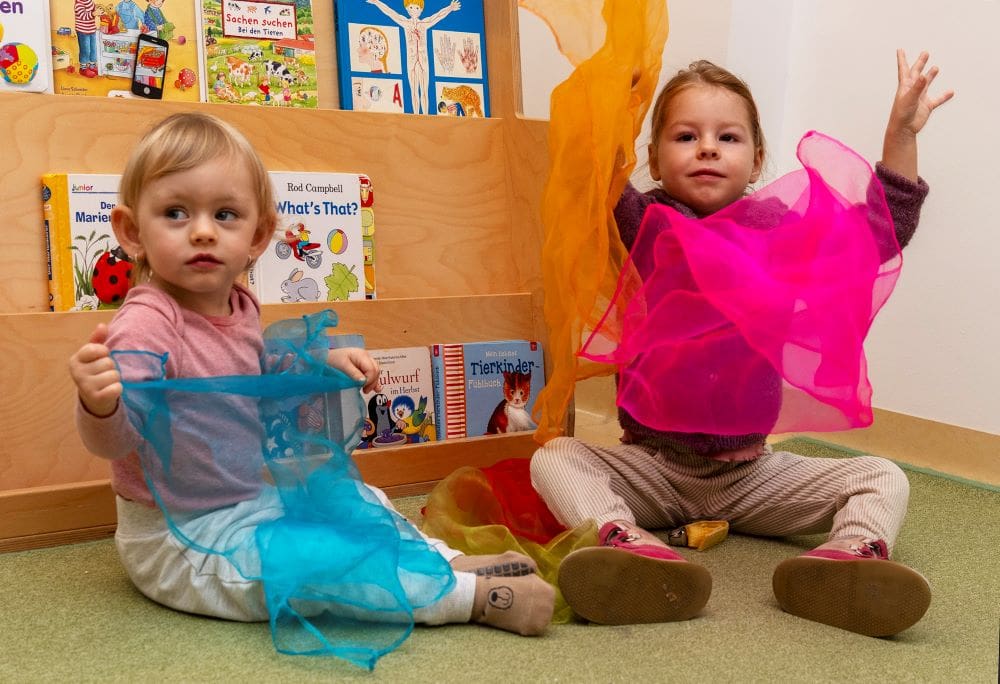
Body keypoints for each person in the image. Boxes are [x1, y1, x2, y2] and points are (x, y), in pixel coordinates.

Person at [69, 112, 554, 652]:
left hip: (249, 500)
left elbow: (259, 378)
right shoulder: (148, 321)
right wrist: (99, 402)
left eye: (225, 214)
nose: (203, 230)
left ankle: (447, 562)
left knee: (358, 497)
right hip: (178, 538)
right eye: (176, 213)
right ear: (133, 232)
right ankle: (467, 598)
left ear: (258, 235)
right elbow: (114, 441)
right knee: (311, 569)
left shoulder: (239, 303)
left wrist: (326, 361)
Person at [530, 51, 953, 637]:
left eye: (726, 137)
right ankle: (625, 542)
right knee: (554, 457)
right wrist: (615, 105)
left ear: (756, 161)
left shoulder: (779, 229)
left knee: (884, 474)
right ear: (655, 159)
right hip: (652, 468)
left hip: (749, 475)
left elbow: (880, 231)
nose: (706, 148)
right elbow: (590, 174)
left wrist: (900, 133)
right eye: (685, 136)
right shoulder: (646, 221)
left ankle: (851, 557)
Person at [366, 0, 461, 114]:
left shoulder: (424, 24)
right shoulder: (406, 23)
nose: (414, 10)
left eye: (417, 8)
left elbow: (438, 16)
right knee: (414, 91)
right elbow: (391, 13)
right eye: (411, 7)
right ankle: (416, 115)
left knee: (425, 90)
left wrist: (450, 8)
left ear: (421, 9)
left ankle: (425, 115)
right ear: (407, 8)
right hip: (411, 61)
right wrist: (377, 2)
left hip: (423, 60)